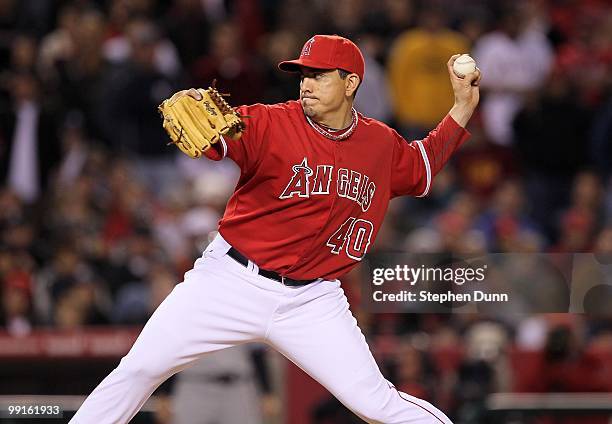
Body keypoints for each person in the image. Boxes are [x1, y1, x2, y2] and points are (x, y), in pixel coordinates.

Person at [70, 34, 480, 424]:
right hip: (229, 281)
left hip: (313, 300)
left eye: (319, 74)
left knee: (375, 402)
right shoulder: (269, 122)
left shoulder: (380, 143)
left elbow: (423, 164)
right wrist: (206, 121)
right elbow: (222, 139)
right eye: (303, 74)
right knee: (140, 369)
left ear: (351, 82)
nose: (307, 84)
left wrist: (461, 107)